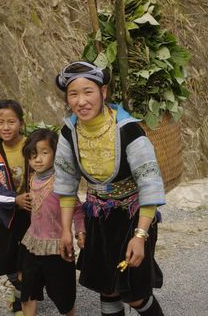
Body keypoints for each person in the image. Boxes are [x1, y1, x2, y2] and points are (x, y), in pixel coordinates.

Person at [54, 61, 166, 316]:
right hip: (98, 219)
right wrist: (65, 231)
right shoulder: (68, 133)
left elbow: (149, 184)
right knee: (107, 288)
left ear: (103, 92)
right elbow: (66, 184)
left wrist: (140, 236)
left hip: (132, 218)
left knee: (135, 294)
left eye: (88, 92)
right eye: (73, 94)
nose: (81, 101)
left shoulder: (129, 130)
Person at [20, 128, 85, 316]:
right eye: (32, 155)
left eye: (44, 153)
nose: (37, 159)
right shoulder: (32, 178)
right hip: (32, 245)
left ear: (56, 154)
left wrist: (81, 233)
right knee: (28, 293)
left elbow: (78, 209)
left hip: (58, 248)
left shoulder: (61, 182)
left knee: (64, 295)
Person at [0, 99, 31, 316]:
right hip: (9, 217)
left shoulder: (33, 145)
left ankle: (23, 301)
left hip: (34, 216)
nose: (6, 127)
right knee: (8, 261)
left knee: (28, 260)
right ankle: (19, 288)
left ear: (21, 123)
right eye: (0, 122)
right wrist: (15, 200)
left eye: (11, 121)